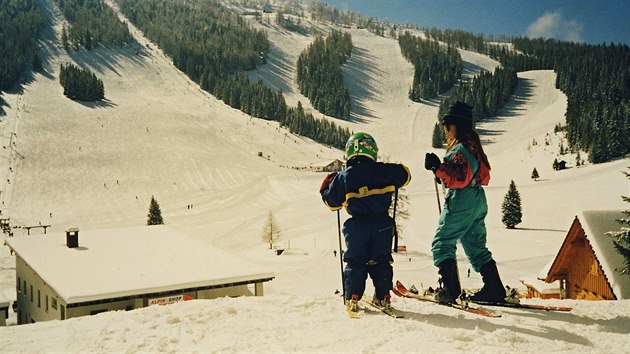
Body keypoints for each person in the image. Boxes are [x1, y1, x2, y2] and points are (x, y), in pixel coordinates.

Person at [424, 102, 509, 304]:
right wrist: (442, 172)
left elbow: (460, 178)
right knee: (474, 245)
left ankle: (450, 291)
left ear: (457, 125)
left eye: (448, 125)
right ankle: (494, 288)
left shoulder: (460, 148)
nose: (446, 130)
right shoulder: (473, 146)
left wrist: (438, 168)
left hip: (461, 200)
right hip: (477, 199)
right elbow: (475, 175)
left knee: (442, 242)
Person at [320, 132, 411, 312]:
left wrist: (326, 186)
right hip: (383, 224)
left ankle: (352, 296)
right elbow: (405, 175)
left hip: (357, 226)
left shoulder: (344, 177)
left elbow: (332, 203)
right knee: (381, 261)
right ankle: (383, 295)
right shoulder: (385, 170)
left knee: (356, 261)